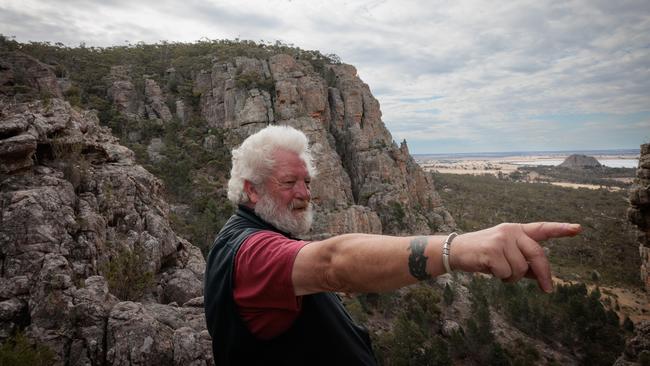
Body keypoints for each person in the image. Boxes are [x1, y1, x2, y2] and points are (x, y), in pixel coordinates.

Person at [203, 125, 581, 365]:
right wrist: (457, 250)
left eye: (307, 182)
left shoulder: (258, 236)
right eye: (289, 183)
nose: (304, 194)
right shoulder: (250, 252)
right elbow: (333, 262)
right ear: (250, 189)